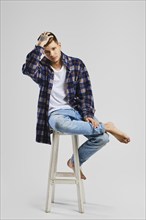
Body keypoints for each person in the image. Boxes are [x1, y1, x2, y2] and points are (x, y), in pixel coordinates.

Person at [22, 32, 130, 179]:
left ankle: (74, 162)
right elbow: (28, 69)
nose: (51, 53)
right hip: (56, 113)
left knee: (102, 139)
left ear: (59, 45)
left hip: (76, 110)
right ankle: (107, 126)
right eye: (46, 51)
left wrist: (88, 115)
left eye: (54, 48)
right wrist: (39, 45)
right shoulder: (41, 68)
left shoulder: (76, 64)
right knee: (60, 125)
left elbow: (86, 94)